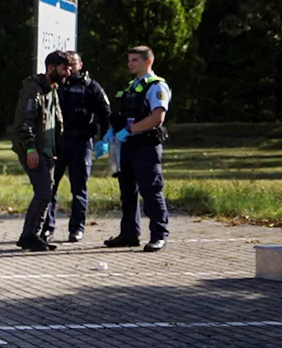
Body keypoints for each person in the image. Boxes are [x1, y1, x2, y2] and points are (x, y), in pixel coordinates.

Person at [103, 46, 172, 252]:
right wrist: (110, 134)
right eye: (129, 60)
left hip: (145, 146)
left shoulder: (156, 87)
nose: (130, 64)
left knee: (151, 190)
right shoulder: (130, 87)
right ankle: (129, 233)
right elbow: (120, 116)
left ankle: (159, 235)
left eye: (134, 60)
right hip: (127, 146)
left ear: (148, 61)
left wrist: (130, 130)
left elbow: (157, 117)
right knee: (127, 192)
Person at [43, 52, 112, 243]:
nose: (70, 68)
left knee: (79, 187)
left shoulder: (90, 87)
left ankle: (76, 229)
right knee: (50, 186)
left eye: (74, 64)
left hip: (81, 142)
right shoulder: (54, 84)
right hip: (57, 143)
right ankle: (47, 227)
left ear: (81, 65)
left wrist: (104, 138)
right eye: (67, 64)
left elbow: (105, 113)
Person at [12, 50, 71, 252]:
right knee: (44, 192)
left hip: (48, 152)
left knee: (47, 193)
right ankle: (28, 236)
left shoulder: (53, 89)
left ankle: (34, 235)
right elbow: (24, 123)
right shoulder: (33, 89)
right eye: (65, 69)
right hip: (33, 150)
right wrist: (30, 148)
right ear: (51, 68)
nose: (68, 73)